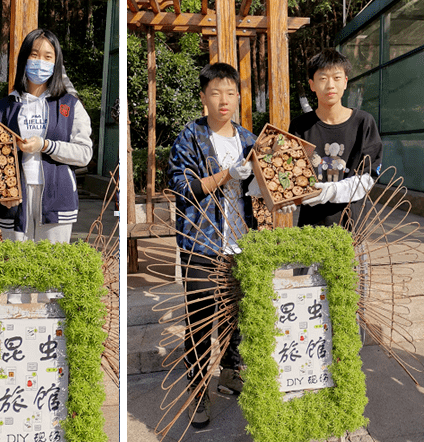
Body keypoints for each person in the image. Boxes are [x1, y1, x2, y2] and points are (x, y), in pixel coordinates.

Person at [166, 63, 258, 429]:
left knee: (237, 317)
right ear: (203, 96)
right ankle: (199, 389)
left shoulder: (249, 140)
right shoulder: (189, 138)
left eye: (231, 92)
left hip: (242, 244)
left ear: (238, 97)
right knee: (202, 321)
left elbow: (264, 194)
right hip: (202, 245)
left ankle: (232, 373)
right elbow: (181, 188)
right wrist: (227, 174)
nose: (224, 100)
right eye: (216, 92)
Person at [0, 29, 93, 243]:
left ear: (56, 63)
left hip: (57, 199)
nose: (40, 62)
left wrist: (45, 145)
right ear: (24, 59)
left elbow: (84, 154)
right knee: (14, 269)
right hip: (14, 201)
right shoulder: (3, 108)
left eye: (48, 57)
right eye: (34, 55)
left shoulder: (70, 105)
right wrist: (2, 190)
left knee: (52, 269)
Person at [287, 49, 382, 227]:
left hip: (352, 227)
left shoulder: (364, 123)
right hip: (311, 225)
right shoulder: (300, 126)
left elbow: (368, 177)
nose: (330, 85)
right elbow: (290, 170)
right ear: (312, 84)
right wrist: (285, 196)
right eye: (323, 78)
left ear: (345, 82)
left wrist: (333, 191)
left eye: (337, 78)